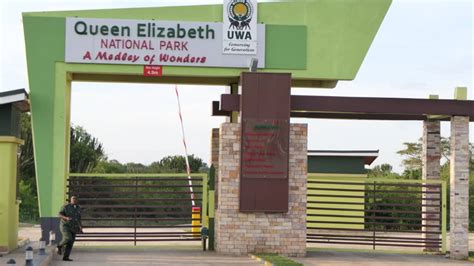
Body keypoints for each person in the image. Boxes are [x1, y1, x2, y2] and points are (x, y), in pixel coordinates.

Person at [57, 195, 82, 261]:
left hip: (73, 227)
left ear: (77, 200)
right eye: (73, 199)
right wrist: (66, 218)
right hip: (65, 226)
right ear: (70, 200)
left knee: (71, 242)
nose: (74, 200)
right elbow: (59, 214)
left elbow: (79, 219)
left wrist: (80, 227)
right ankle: (59, 245)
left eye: (75, 199)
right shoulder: (66, 207)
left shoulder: (79, 208)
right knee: (68, 238)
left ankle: (66, 257)